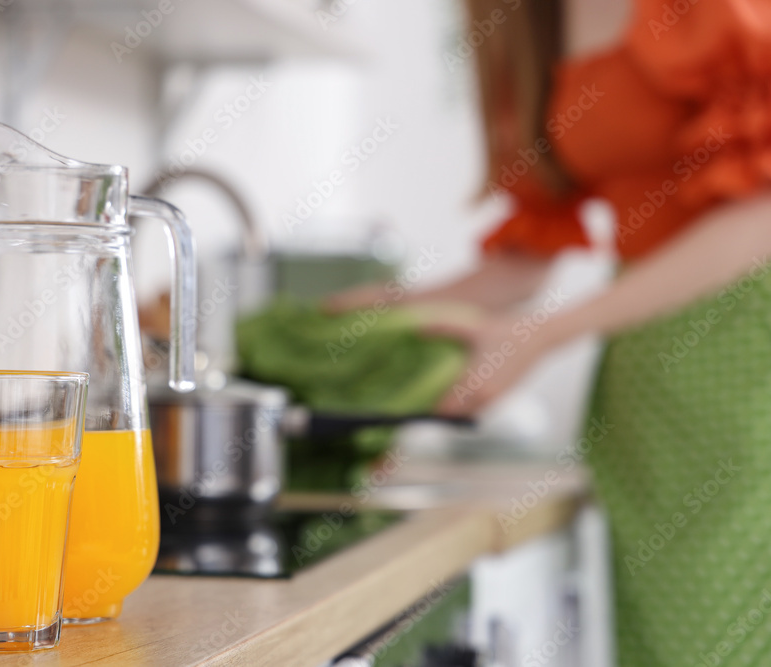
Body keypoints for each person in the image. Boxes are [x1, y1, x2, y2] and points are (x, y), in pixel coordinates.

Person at [328, 0, 771, 664]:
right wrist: (397, 307)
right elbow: (529, 253)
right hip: (652, 389)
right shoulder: (514, 21)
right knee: (670, 635)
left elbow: (760, 210)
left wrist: (547, 333)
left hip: (749, 358)